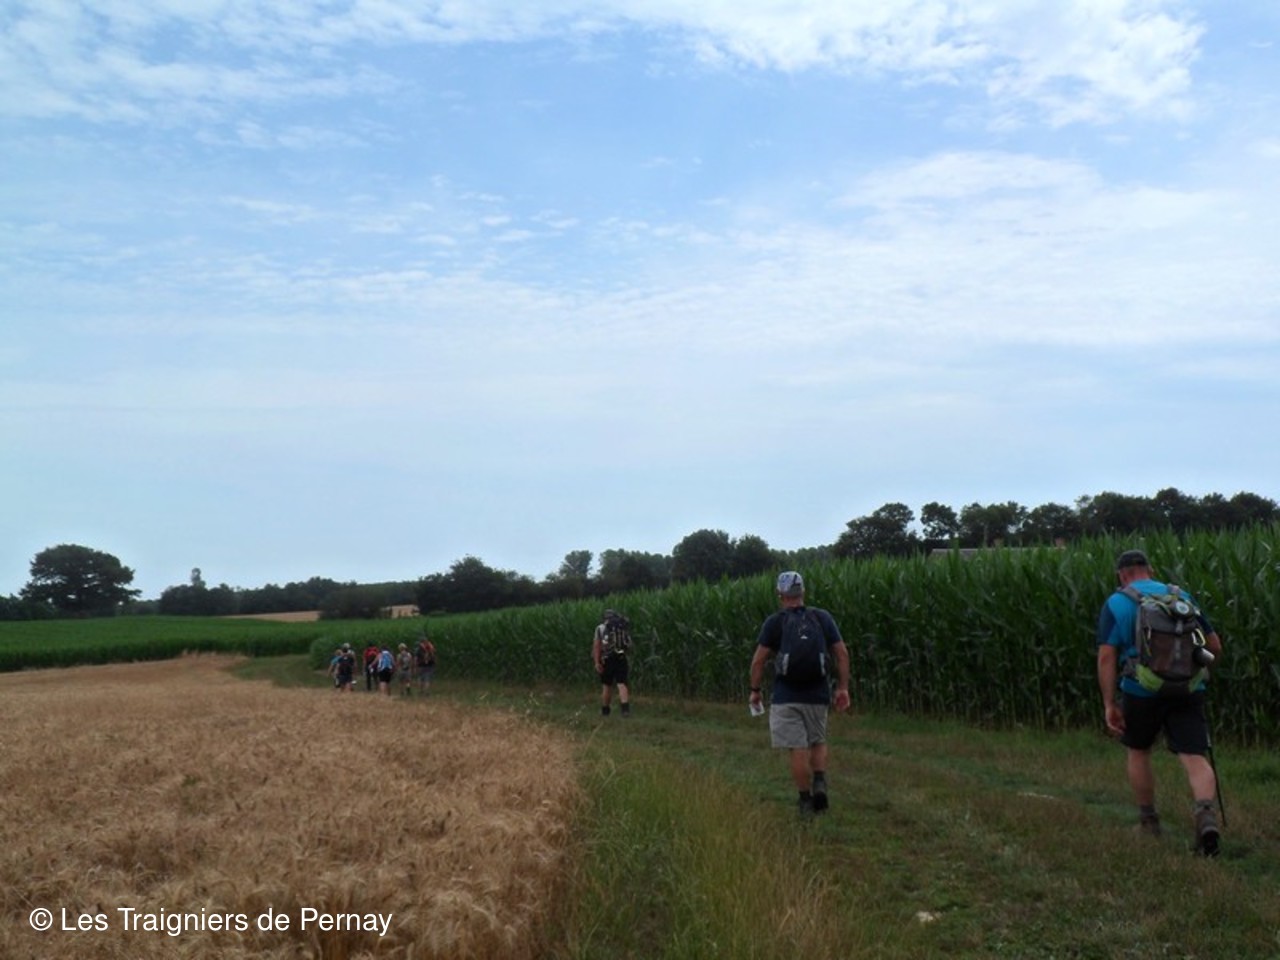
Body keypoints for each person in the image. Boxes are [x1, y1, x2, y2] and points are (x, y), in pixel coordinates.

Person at [1096, 549, 1225, 855]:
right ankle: (1206, 816)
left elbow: (1106, 657)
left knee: (1139, 751)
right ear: (1150, 570)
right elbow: (1214, 646)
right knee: (1194, 756)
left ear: (1121, 575)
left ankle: (1149, 822)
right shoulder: (1181, 597)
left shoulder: (1117, 602)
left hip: (1141, 690)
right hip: (1187, 689)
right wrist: (1201, 672)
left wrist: (1109, 703)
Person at [749, 571, 851, 817]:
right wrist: (843, 688)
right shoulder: (822, 617)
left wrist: (755, 691)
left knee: (797, 748)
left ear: (780, 594)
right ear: (802, 592)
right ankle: (819, 780)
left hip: (786, 697)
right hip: (817, 694)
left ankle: (805, 801)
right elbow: (842, 654)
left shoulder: (775, 622)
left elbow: (758, 661)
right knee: (817, 740)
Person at [592, 608, 632, 717]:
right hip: (621, 657)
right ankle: (625, 709)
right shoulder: (622, 627)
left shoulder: (600, 628)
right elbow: (629, 645)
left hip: (607, 659)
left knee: (607, 685)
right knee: (622, 683)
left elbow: (597, 646)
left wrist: (597, 662)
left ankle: (605, 710)